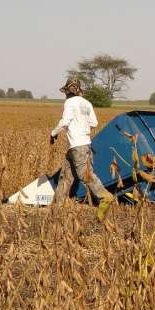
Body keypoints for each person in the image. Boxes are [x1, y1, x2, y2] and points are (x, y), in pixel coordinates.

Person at [50, 77, 115, 220]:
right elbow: (94, 123)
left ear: (67, 91)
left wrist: (53, 133)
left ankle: (105, 196)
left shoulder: (69, 103)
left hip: (77, 145)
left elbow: (65, 121)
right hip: (84, 144)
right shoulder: (87, 103)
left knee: (85, 175)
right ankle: (58, 204)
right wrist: (82, 126)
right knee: (65, 174)